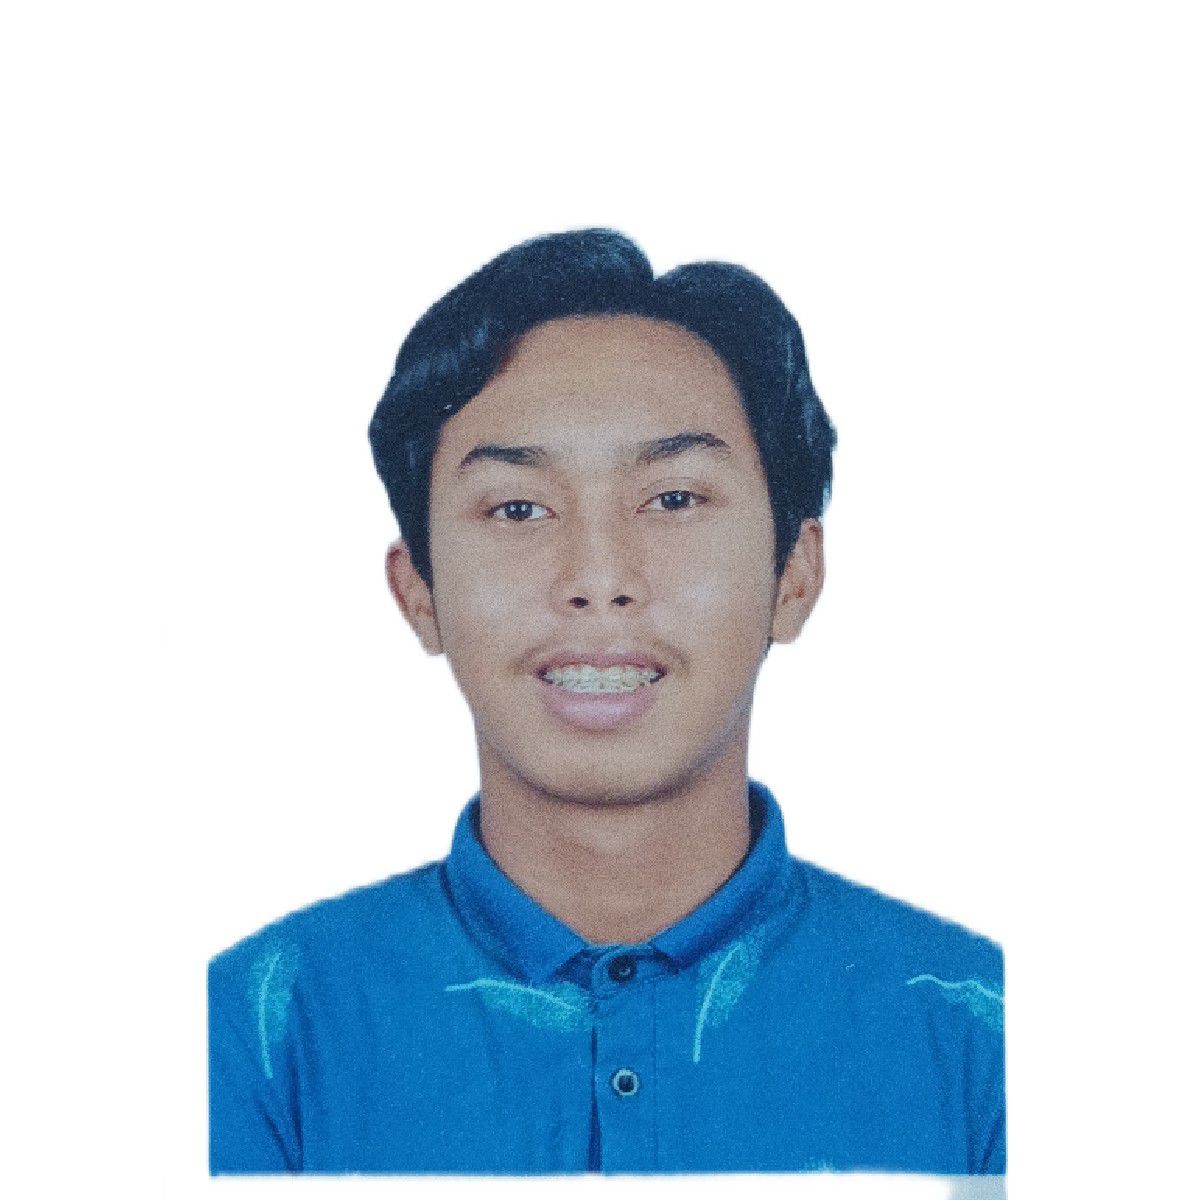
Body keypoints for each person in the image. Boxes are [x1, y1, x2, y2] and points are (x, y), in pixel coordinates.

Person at [207, 229, 1005, 1175]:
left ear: (794, 574)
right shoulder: (257, 1035)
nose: (597, 578)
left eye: (673, 500)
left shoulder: (983, 1034)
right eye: (518, 509)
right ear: (417, 591)